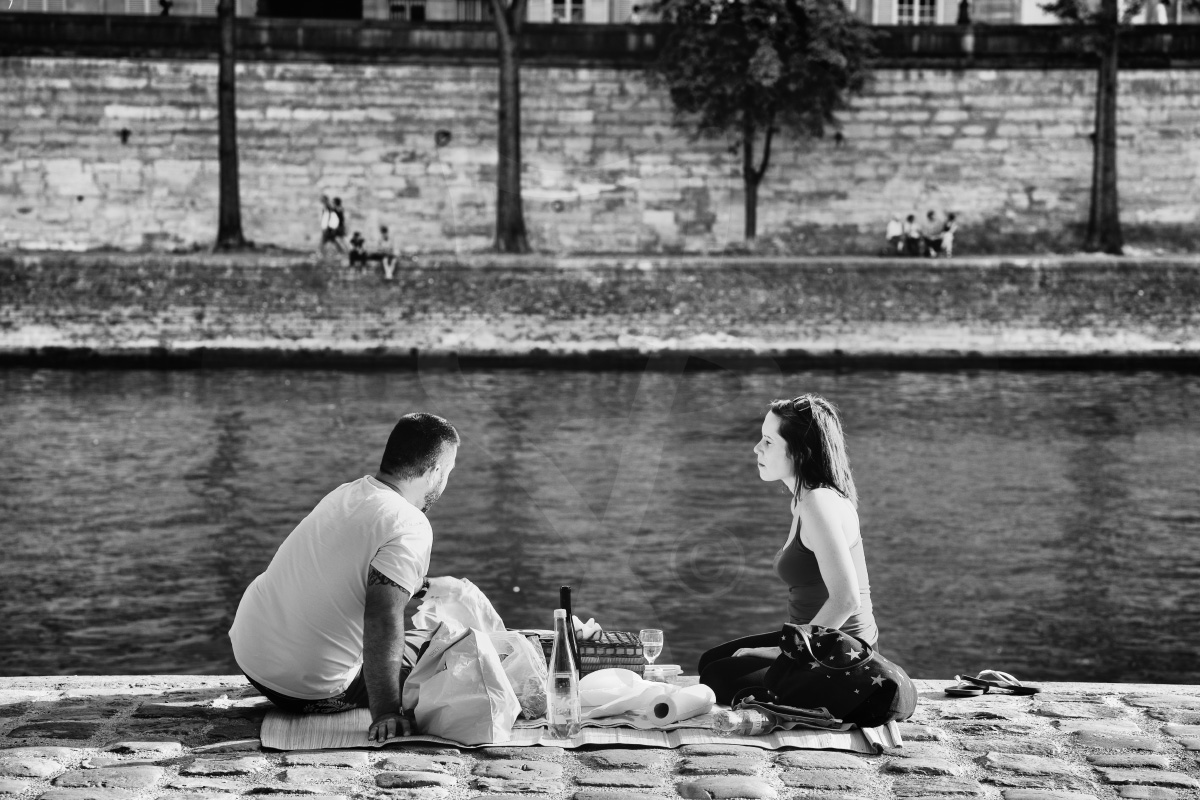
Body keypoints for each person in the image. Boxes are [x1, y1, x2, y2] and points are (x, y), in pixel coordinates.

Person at [229, 413, 460, 743]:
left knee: (417, 643)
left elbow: (340, 571)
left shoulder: (348, 493)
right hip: (309, 689)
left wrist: (423, 586)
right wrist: (387, 712)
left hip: (251, 657)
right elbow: (382, 618)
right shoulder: (411, 525)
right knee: (448, 662)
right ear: (435, 471)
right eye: (448, 472)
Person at [697, 394, 878, 706]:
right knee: (711, 661)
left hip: (840, 653)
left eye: (768, 441)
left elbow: (847, 599)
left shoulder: (818, 503)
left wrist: (786, 651)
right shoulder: (804, 499)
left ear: (800, 452)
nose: (757, 448)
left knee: (718, 677)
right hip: (815, 639)